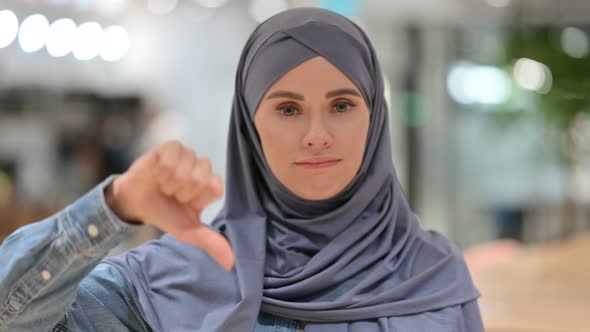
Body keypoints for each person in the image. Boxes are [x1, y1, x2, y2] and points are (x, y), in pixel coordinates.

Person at [0, 7, 483, 332]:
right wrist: (114, 208)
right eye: (288, 109)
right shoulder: (170, 281)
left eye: (341, 105)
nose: (318, 133)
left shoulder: (434, 276)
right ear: (250, 128)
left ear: (375, 117)